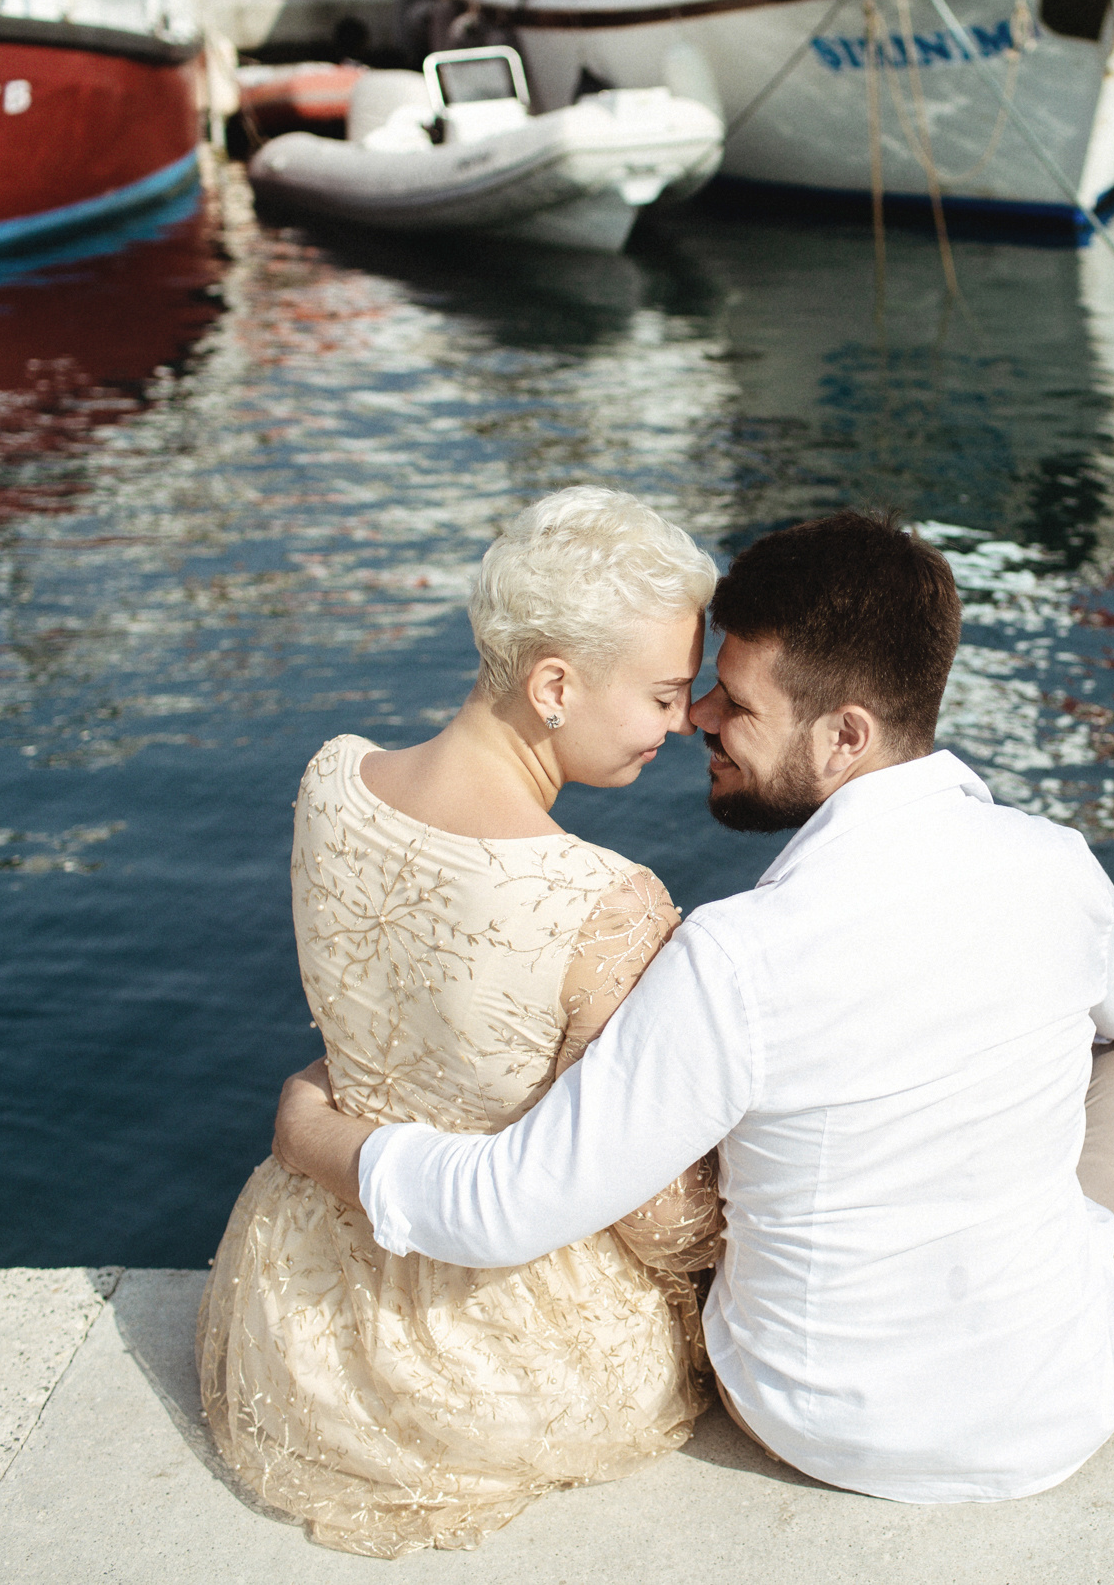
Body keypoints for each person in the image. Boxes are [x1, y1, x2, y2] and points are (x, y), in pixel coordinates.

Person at [274, 511, 1114, 1504]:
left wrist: (310, 1134)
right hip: (1060, 1406)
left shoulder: (735, 953)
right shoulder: (1058, 867)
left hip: (808, 1417)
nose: (700, 716)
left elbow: (506, 1207)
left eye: (737, 700)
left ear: (846, 735)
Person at [196, 487, 727, 1558]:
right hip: (508, 1356)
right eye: (666, 694)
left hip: (296, 1310)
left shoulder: (333, 778)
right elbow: (657, 1214)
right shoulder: (604, 901)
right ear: (555, 685)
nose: (682, 723)